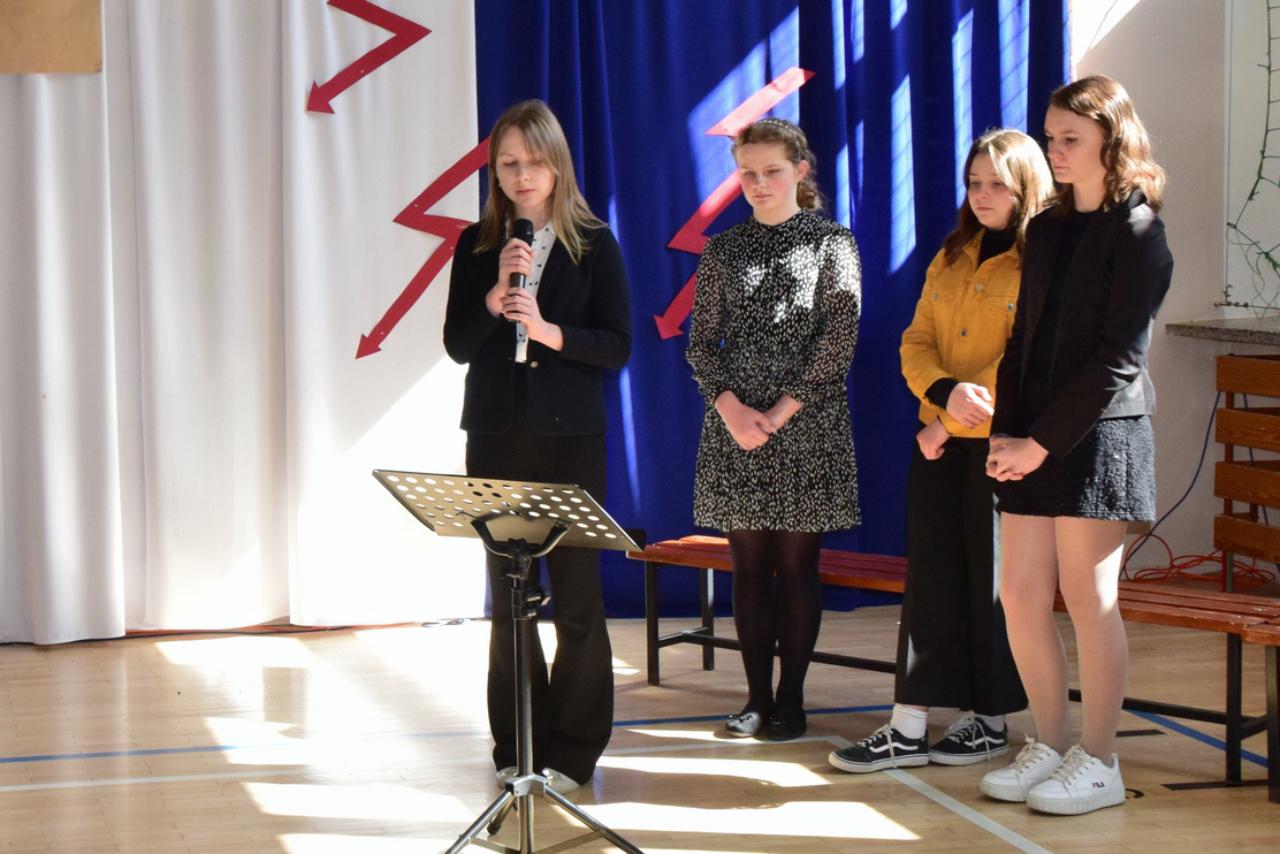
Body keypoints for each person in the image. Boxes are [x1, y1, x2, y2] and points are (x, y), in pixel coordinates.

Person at [828, 129, 1053, 774]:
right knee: (930, 580)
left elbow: (1025, 361)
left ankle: (989, 720)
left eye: (997, 185)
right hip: (939, 440)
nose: (982, 195)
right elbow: (916, 341)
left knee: (993, 585)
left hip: (1002, 449)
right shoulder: (953, 255)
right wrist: (942, 396)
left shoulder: (1042, 260)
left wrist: (947, 423)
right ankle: (908, 723)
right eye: (974, 183)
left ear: (1025, 187)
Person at [980, 75, 1173, 815]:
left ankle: (1101, 760)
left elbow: (1118, 360)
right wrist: (1006, 431)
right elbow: (1022, 339)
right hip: (1032, 435)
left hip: (1101, 435)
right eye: (1051, 137)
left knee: (1091, 599)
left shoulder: (1140, 232)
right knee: (1021, 596)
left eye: (1071, 139)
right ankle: (1052, 745)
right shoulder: (1048, 228)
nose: (1055, 151)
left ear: (1111, 141)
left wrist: (1041, 443)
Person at [443, 99, 631, 795]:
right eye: (508, 163)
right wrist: (495, 299)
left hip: (570, 444)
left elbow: (617, 346)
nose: (522, 175)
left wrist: (550, 331)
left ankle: (573, 753)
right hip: (496, 439)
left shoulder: (594, 243)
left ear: (558, 165)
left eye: (534, 161)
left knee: (577, 604)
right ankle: (516, 746)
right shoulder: (477, 245)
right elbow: (459, 345)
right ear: (494, 172)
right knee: (511, 602)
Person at [686, 117, 861, 742]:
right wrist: (732, 410)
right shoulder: (724, 249)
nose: (758, 183)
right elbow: (700, 343)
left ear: (800, 171)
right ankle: (756, 697)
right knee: (748, 566)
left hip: (807, 425)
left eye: (771, 172)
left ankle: (792, 699)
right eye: (747, 173)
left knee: (797, 565)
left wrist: (781, 413)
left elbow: (839, 338)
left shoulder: (832, 242)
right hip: (736, 428)